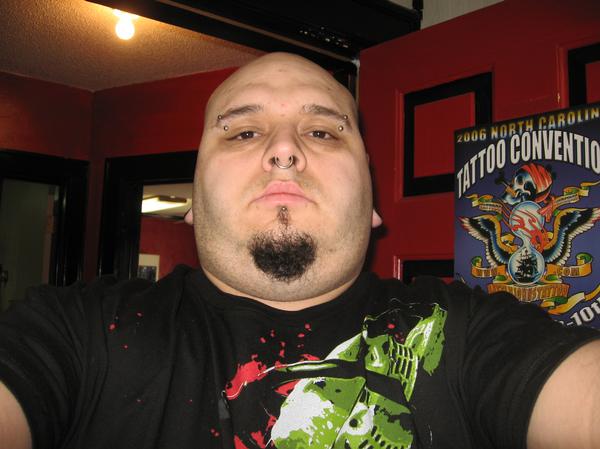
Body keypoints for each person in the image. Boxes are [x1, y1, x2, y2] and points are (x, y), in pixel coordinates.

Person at [0, 52, 599, 449]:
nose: (284, 150)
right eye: (243, 131)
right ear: (193, 202)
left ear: (372, 203)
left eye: (321, 131)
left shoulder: (467, 334)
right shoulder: (78, 332)